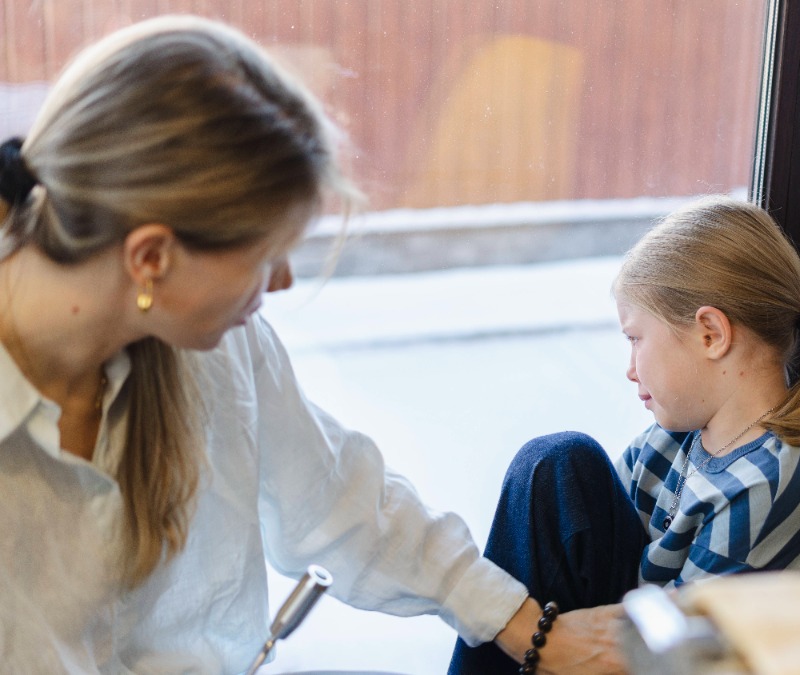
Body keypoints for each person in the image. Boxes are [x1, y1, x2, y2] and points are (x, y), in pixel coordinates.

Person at [0, 15, 620, 674]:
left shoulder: (214, 349)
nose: (284, 280)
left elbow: (338, 496)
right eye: (266, 254)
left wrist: (530, 629)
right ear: (151, 257)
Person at [450, 195, 800, 673]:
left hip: (685, 662)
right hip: (663, 638)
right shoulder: (675, 440)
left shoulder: (772, 486)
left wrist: (535, 638)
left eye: (636, 339)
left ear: (711, 334)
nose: (630, 369)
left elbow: (678, 660)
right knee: (558, 464)